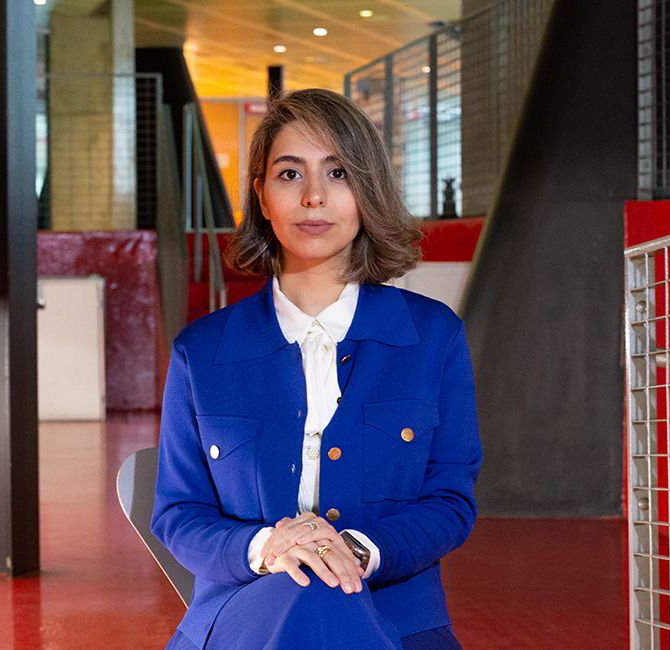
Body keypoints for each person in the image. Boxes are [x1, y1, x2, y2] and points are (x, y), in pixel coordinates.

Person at [151, 88, 482, 649]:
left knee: (327, 597)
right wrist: (268, 548)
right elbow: (178, 513)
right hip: (241, 617)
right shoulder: (200, 354)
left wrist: (353, 549)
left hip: (394, 616)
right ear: (261, 195)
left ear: (367, 191)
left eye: (337, 173)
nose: (312, 197)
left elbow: (450, 500)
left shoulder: (432, 338)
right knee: (311, 596)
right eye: (288, 175)